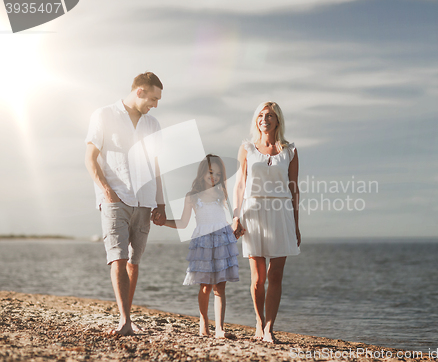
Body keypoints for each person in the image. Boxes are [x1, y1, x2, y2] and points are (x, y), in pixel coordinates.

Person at [84, 72, 167, 336]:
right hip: (115, 198)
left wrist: (161, 203)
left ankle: (128, 318)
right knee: (118, 258)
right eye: (153, 98)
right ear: (140, 91)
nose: (155, 105)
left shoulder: (153, 124)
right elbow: (90, 158)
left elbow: (156, 166)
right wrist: (107, 190)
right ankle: (124, 320)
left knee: (134, 261)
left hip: (145, 201)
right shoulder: (104, 115)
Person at [232, 101, 301, 343]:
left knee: (276, 275)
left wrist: (296, 224)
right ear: (256, 120)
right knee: (258, 278)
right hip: (253, 211)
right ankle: (259, 323)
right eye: (261, 115)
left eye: (270, 115)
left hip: (281, 212)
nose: (265, 119)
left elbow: (294, 189)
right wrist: (236, 216)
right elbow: (240, 184)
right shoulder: (247, 148)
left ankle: (270, 327)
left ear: (278, 120)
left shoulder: (289, 150)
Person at [163, 155, 239, 338]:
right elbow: (182, 223)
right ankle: (203, 322)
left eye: (218, 174)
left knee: (220, 287)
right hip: (204, 243)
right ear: (203, 172)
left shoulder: (222, 193)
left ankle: (220, 329)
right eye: (211, 173)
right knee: (205, 286)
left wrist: (235, 228)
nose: (214, 177)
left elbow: (225, 218)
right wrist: (163, 221)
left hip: (222, 240)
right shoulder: (192, 196)